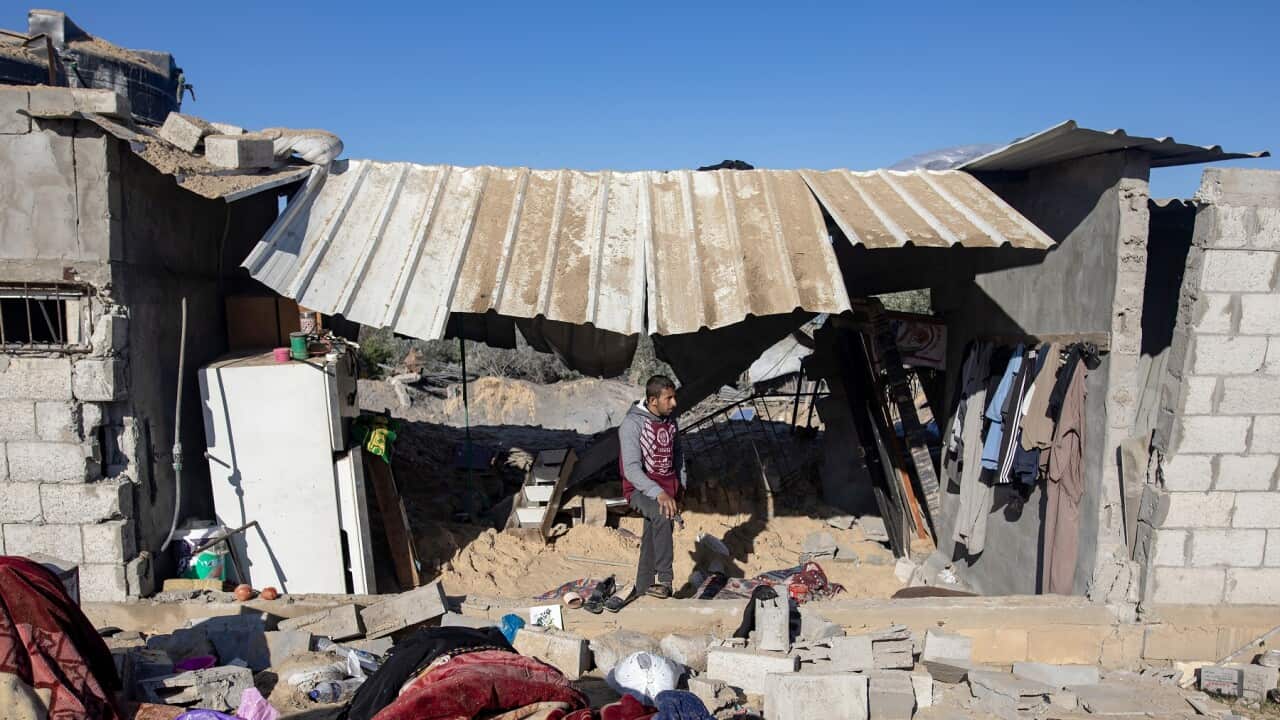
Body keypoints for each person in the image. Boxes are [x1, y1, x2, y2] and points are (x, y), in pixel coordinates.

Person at [617, 374, 687, 602]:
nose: (674, 403)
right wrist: (659, 493)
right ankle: (665, 581)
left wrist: (680, 486)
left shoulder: (670, 421)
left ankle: (643, 586)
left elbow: (678, 455)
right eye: (669, 398)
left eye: (674, 397)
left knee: (652, 534)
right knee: (660, 515)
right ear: (653, 400)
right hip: (639, 490)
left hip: (667, 490)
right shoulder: (632, 424)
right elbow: (631, 469)